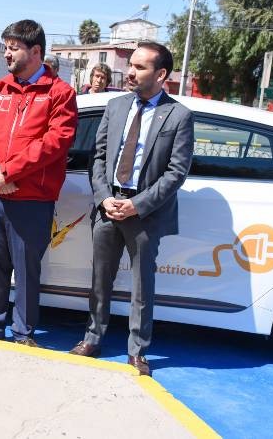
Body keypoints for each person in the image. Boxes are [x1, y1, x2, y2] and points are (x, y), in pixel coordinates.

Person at [68, 42, 194, 377]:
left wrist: (136, 205)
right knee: (99, 280)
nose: (131, 73)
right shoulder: (115, 106)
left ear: (161, 74)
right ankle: (93, 338)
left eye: (140, 67)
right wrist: (104, 197)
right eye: (131, 65)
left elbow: (176, 172)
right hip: (108, 206)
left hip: (145, 213)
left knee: (142, 286)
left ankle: (137, 351)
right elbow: (98, 157)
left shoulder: (179, 116)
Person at [0, 19, 77, 346]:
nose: (6, 54)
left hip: (32, 199)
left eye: (13, 48)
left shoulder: (60, 93)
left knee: (27, 270)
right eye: (6, 47)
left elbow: (54, 142)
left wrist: (10, 172)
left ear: (35, 51)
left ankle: (23, 333)